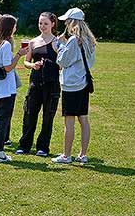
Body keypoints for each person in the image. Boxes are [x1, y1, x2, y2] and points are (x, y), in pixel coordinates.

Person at [52, 8, 96, 165]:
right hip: (83, 82)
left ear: (72, 22)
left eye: (66, 20)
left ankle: (66, 155)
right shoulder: (89, 39)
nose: (65, 23)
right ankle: (82, 154)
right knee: (83, 119)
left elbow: (63, 61)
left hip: (72, 85)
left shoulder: (73, 41)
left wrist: (59, 46)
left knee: (69, 120)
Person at [15, 12, 60, 157]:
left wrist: (48, 65)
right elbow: (26, 61)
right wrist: (33, 65)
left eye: (46, 23)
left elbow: (62, 64)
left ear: (53, 24)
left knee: (48, 116)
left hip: (51, 85)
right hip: (35, 83)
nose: (42, 26)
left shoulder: (57, 42)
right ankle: (24, 146)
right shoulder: (33, 42)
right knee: (29, 114)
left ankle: (43, 147)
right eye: (40, 23)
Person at [0, 14, 28, 163]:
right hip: (5, 89)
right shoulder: (6, 45)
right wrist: (19, 55)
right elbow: (8, 67)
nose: (16, 27)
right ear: (10, 27)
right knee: (2, 121)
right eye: (15, 25)